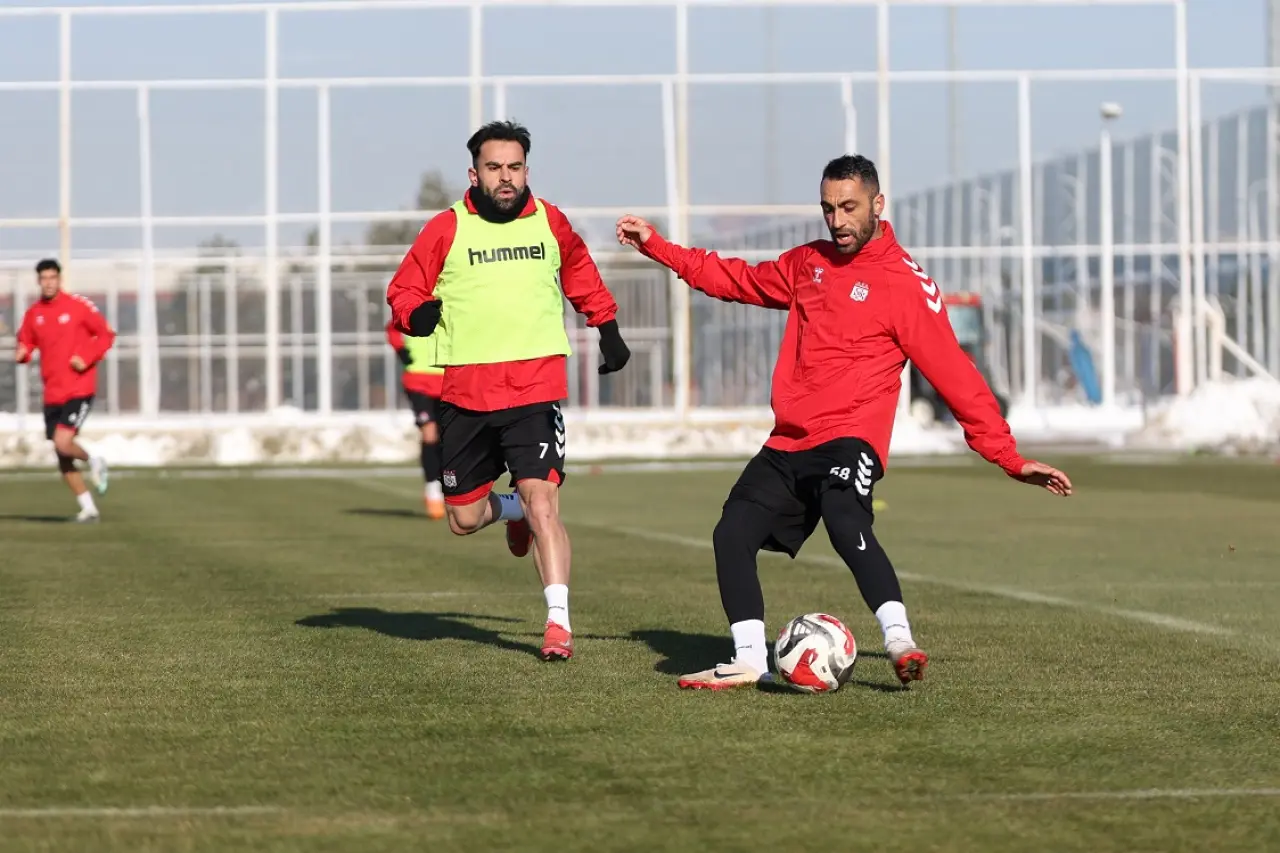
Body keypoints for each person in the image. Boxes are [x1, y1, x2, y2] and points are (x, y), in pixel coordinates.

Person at [615, 154, 1072, 690]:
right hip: (790, 441)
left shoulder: (905, 284)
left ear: (878, 204)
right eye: (828, 208)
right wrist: (657, 245)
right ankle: (749, 659)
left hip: (852, 437)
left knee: (843, 514)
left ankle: (899, 640)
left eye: (849, 207)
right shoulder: (808, 263)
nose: (837, 220)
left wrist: (1008, 457)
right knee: (730, 533)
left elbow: (955, 375)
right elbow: (734, 278)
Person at [386, 120, 631, 662]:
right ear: (474, 173)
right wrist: (415, 313)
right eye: (494, 167)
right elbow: (403, 288)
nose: (506, 177)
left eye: (515, 167)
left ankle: (558, 624)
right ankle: (510, 511)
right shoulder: (446, 228)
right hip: (466, 395)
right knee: (464, 519)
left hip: (534, 388)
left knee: (545, 502)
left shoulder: (549, 220)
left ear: (526, 170)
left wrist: (607, 327)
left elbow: (580, 272)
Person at [15, 258, 115, 523]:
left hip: (79, 387)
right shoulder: (34, 314)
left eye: (53, 278)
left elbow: (106, 335)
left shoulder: (78, 306)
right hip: (53, 392)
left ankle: (94, 460)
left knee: (63, 442)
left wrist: (87, 356)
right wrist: (23, 352)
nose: (48, 283)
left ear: (59, 279)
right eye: (44, 278)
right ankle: (89, 509)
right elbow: (26, 340)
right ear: (39, 281)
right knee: (62, 454)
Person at [385, 320, 447, 520]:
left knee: (448, 437)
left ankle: (446, 483)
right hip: (418, 381)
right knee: (429, 433)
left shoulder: (454, 307)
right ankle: (432, 489)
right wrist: (400, 349)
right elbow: (393, 326)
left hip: (448, 381)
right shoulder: (416, 306)